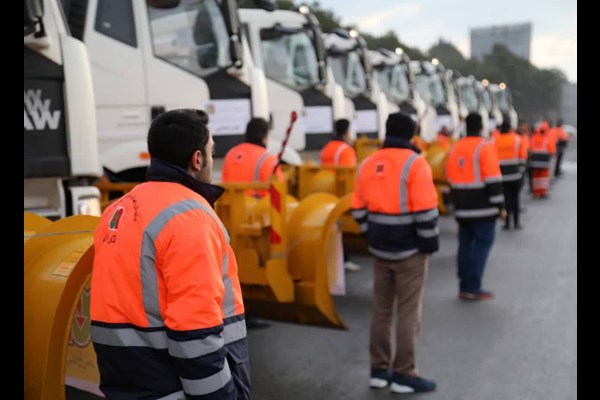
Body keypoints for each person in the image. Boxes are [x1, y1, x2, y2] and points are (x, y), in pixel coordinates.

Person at [90, 109, 250, 399]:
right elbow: (195, 330)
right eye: (212, 152)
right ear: (197, 158)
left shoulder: (117, 210)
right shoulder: (191, 218)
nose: (212, 161)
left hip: (121, 378)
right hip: (168, 384)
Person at [352, 112, 439, 393]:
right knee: (408, 313)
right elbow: (426, 211)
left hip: (380, 249)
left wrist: (371, 234)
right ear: (412, 134)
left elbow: (358, 209)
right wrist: (429, 243)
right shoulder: (416, 164)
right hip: (410, 250)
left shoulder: (367, 163)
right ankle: (404, 373)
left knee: (381, 310)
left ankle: (378, 371)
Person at [445, 113, 506, 301]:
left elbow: (449, 175)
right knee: (481, 246)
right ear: (481, 127)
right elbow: (493, 180)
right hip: (483, 209)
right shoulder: (484, 147)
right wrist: (500, 206)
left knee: (464, 245)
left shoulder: (455, 147)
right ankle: (473, 287)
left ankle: (464, 285)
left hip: (462, 208)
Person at [321, 118, 361, 272]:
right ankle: (343, 260)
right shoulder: (345, 149)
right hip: (340, 193)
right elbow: (350, 173)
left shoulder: (327, 148)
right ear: (346, 131)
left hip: (324, 189)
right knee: (340, 229)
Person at [222, 117, 284, 197]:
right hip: (258, 207)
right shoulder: (269, 159)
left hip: (230, 206)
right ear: (264, 138)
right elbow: (279, 189)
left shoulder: (230, 154)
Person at [493, 118, 528, 230]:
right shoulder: (517, 139)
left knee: (506, 199)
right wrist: (521, 169)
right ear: (509, 129)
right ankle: (517, 223)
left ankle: (507, 223)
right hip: (515, 174)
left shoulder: (494, 140)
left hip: (501, 176)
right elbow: (523, 155)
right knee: (515, 199)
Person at [528, 121, 556, 198]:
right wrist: (552, 154)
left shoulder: (534, 136)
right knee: (543, 176)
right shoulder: (547, 137)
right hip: (544, 160)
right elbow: (551, 149)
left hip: (534, 160)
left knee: (535, 177)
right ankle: (543, 192)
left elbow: (529, 148)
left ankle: (536, 192)